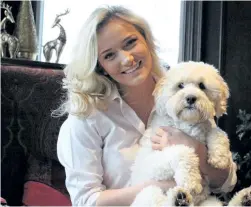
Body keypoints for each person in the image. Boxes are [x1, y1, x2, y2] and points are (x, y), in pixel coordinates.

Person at [55, 5, 237, 206]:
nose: (127, 59)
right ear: (100, 67)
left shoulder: (182, 90)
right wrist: (161, 186)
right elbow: (85, 201)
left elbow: (225, 183)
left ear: (146, 40)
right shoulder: (86, 117)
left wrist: (195, 148)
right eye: (109, 55)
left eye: (130, 43)